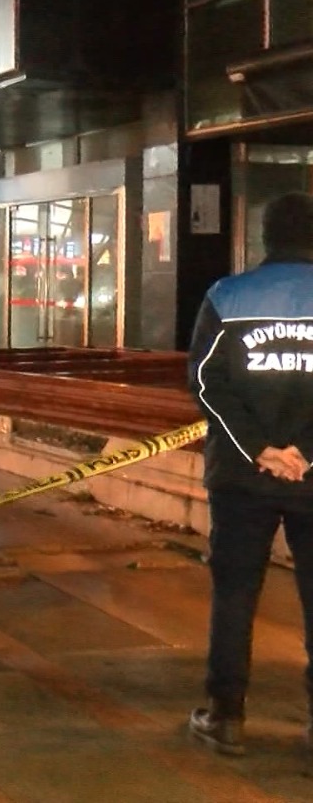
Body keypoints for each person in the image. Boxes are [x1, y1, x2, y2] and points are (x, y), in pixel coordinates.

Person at [188, 191, 313, 756]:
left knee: (235, 595)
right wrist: (306, 453)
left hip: (240, 479)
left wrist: (260, 449)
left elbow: (208, 384)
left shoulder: (228, 295)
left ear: (267, 237)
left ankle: (226, 715)